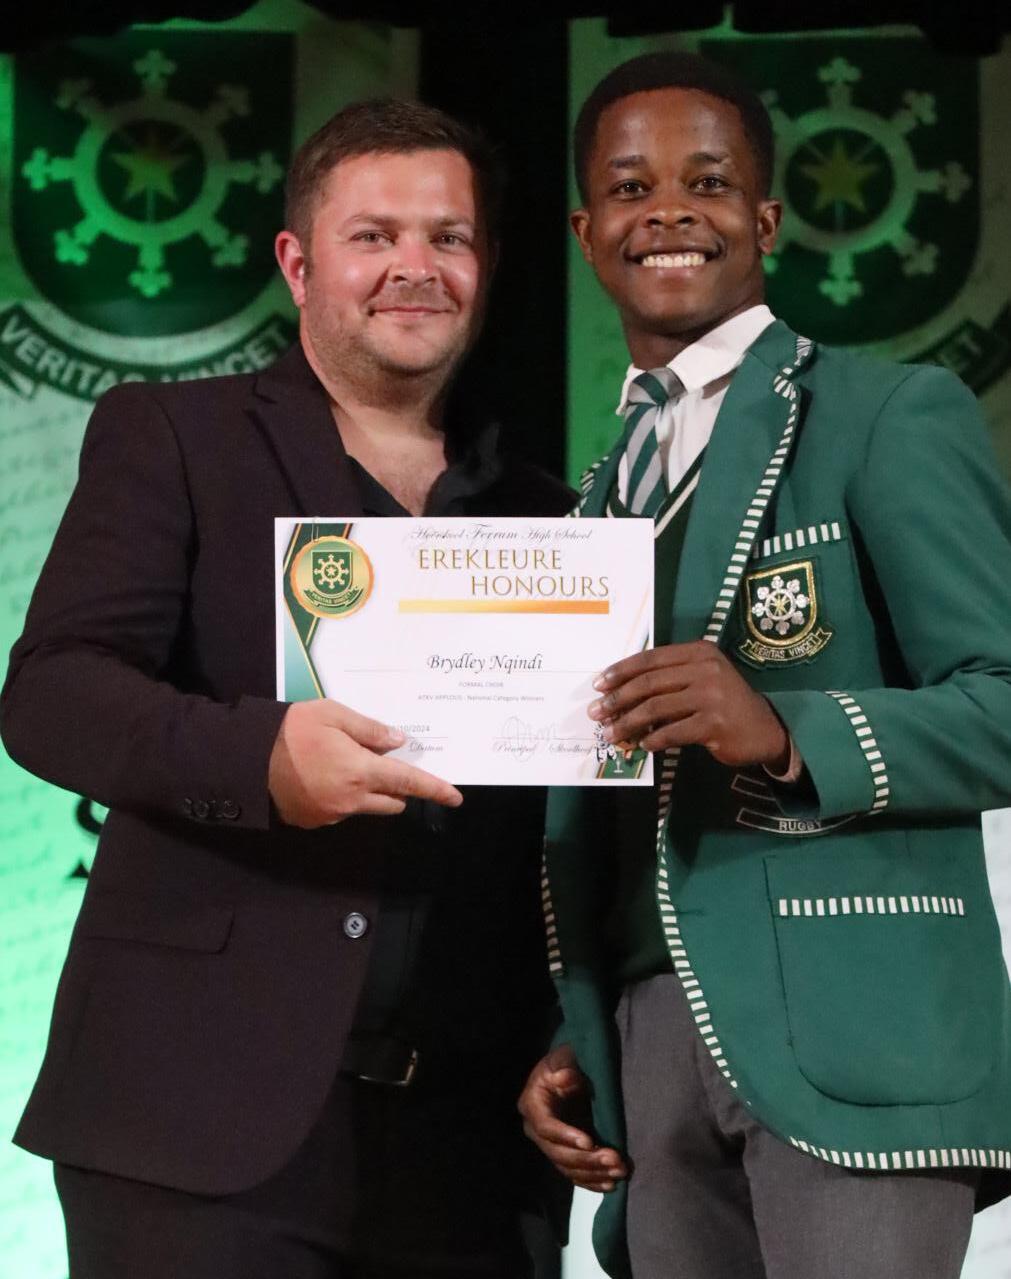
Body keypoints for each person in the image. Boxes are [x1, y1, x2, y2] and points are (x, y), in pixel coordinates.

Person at [1, 98, 573, 1279]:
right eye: (374, 236)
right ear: (298, 264)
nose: (415, 266)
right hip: (195, 1122)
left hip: (468, 1142)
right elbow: (52, 693)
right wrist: (260, 760)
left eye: (449, 238)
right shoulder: (175, 437)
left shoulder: (553, 518)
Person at [519, 51, 1011, 1279]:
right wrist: (576, 1026)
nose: (668, 212)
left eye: (708, 182)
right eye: (630, 188)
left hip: (857, 1036)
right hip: (650, 1050)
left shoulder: (885, 414)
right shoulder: (595, 503)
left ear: (769, 219)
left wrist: (791, 731)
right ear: (586, 233)